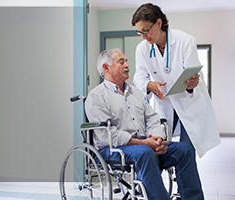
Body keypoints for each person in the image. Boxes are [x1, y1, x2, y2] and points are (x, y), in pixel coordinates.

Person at [85, 48, 203, 200]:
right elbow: (106, 135)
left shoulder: (136, 93)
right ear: (106, 68)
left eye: (126, 61)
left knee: (184, 149)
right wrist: (143, 143)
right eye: (121, 62)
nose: (127, 65)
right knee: (145, 153)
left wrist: (157, 139)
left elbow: (152, 118)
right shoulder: (96, 97)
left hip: (144, 146)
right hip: (113, 149)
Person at [132, 3, 221, 199]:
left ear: (159, 22)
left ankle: (185, 192)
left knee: (187, 152)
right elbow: (139, 77)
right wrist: (148, 84)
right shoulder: (142, 49)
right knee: (163, 149)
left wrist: (191, 84)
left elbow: (192, 74)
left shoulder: (184, 40)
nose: (144, 36)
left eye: (146, 30)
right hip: (165, 105)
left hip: (190, 104)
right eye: (140, 33)